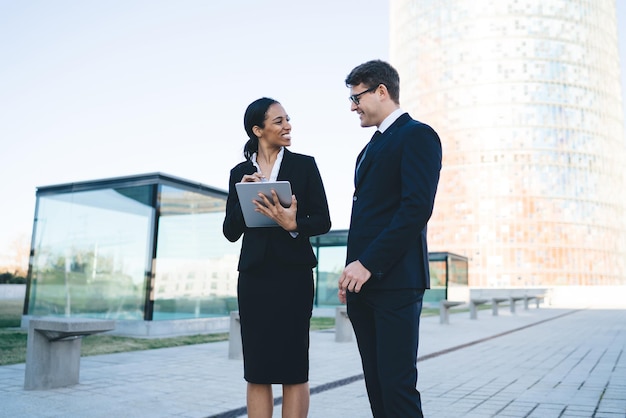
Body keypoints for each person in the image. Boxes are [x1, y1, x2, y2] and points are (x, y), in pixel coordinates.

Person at [338, 60, 442, 417]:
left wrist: (367, 263)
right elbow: (368, 218)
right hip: (364, 287)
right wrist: (352, 271)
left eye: (356, 97)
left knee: (397, 388)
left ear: (381, 91)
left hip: (396, 283)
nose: (353, 107)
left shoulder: (418, 135)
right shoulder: (367, 149)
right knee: (377, 387)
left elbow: (415, 209)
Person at [223, 97, 331, 418]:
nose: (288, 126)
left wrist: (294, 223)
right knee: (257, 367)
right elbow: (230, 231)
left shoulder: (304, 165)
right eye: (279, 121)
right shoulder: (240, 173)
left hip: (293, 276)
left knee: (293, 365)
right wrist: (243, 199)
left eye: (288, 119)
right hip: (254, 278)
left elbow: (323, 220)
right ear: (258, 130)